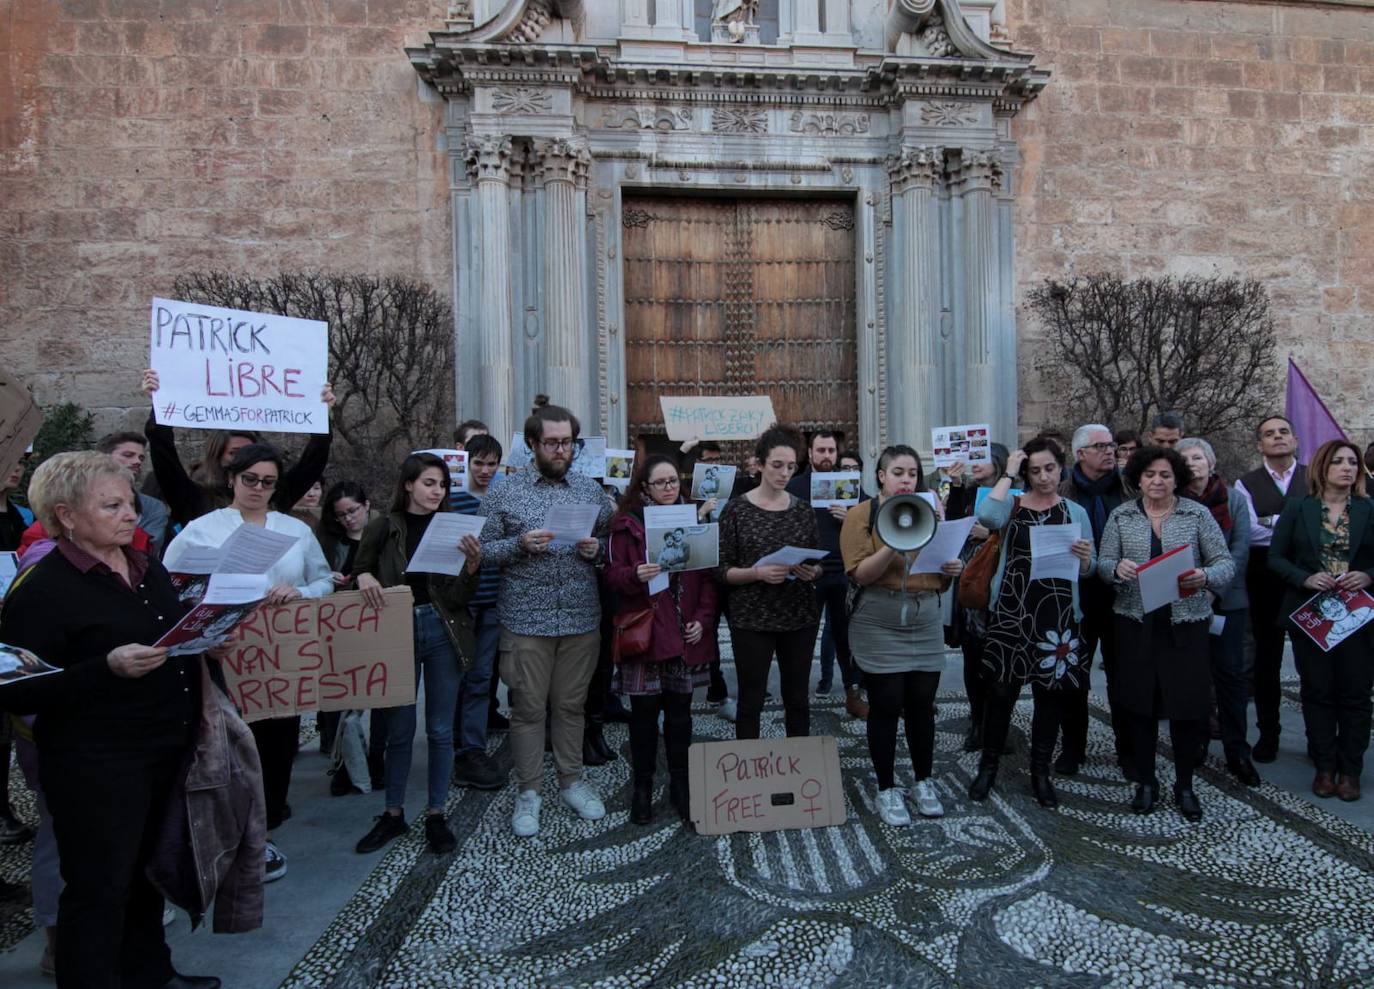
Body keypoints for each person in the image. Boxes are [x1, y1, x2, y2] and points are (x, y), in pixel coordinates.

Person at [0, 451, 231, 989]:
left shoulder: (146, 567)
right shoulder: (42, 587)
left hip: (162, 748)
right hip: (95, 765)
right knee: (98, 889)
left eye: (129, 502)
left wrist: (206, 643)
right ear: (68, 516)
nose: (131, 514)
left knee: (147, 875)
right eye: (112, 506)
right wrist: (104, 668)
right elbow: (15, 688)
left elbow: (170, 634)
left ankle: (151, 973)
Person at [164, 443, 334, 882]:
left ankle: (265, 831)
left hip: (280, 660)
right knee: (228, 747)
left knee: (277, 746)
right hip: (223, 657)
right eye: (250, 479)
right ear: (231, 479)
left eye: (268, 482)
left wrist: (301, 592)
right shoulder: (202, 529)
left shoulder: (294, 530)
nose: (258, 488)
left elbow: (323, 580)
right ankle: (228, 833)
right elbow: (170, 591)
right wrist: (204, 634)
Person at [479, 398, 615, 838]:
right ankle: (530, 791)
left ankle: (572, 781)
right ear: (533, 445)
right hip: (525, 619)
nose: (561, 450)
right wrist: (520, 544)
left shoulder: (591, 491)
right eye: (552, 443)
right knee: (528, 709)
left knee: (572, 706)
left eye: (568, 443)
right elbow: (481, 553)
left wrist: (596, 553)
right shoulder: (505, 491)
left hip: (580, 617)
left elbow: (611, 547)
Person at [352, 452, 482, 853]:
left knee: (441, 729)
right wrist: (364, 575)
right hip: (398, 626)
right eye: (429, 483)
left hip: (442, 629)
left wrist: (473, 566)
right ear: (408, 484)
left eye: (442, 485)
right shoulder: (383, 527)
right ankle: (392, 813)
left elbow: (460, 597)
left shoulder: (453, 528)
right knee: (400, 728)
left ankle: (436, 814)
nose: (437, 491)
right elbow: (359, 567)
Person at [1097, 446, 1235, 821]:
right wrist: (1116, 569)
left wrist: (1204, 576)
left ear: (1177, 479)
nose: (1157, 482)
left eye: (1165, 475)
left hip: (1185, 623)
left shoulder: (1197, 514)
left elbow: (1225, 563)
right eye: (1150, 475)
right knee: (1138, 705)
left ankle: (1184, 783)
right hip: (1135, 621)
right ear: (1138, 479)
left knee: (1186, 706)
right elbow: (1102, 562)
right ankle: (1145, 781)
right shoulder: (1121, 516)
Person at [970, 438, 1096, 808]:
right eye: (1036, 471)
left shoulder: (1075, 511)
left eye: (1050, 469)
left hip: (1056, 616)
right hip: (1012, 609)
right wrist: (1009, 471)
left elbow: (1089, 570)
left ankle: (1040, 772)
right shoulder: (1013, 504)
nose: (1044, 477)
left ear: (1061, 468)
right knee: (1001, 694)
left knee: (1050, 698)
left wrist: (1086, 559)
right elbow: (987, 518)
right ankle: (988, 767)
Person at [841, 445, 963, 825]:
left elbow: (937, 576)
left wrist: (951, 568)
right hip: (879, 615)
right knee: (888, 702)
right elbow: (860, 573)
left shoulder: (929, 510)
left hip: (923, 614)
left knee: (922, 703)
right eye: (898, 472)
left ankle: (923, 780)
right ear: (881, 475)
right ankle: (886, 787)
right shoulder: (861, 514)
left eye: (912, 473)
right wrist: (896, 543)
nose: (906, 479)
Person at [605, 455, 718, 825]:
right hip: (647, 633)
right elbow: (611, 578)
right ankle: (642, 786)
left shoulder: (694, 520)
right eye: (661, 483)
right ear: (645, 488)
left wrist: (702, 620)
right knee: (643, 716)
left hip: (684, 633)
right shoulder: (627, 526)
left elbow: (705, 580)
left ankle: (681, 785)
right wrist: (635, 574)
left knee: (681, 716)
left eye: (674, 481)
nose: (670, 488)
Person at [1269, 439, 1374, 802]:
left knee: (1356, 694)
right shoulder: (1299, 508)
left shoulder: (1369, 509)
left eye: (1353, 463)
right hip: (1311, 616)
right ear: (1322, 468)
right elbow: (1276, 557)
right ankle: (1325, 767)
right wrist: (1304, 578)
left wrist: (1368, 575)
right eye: (1339, 462)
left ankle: (1350, 771)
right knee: (1317, 692)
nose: (1347, 468)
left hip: (1359, 618)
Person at [719, 425, 822, 740]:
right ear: (760, 463)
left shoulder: (802, 510)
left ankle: (800, 773)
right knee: (751, 700)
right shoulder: (736, 510)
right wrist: (757, 573)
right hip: (752, 619)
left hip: (798, 616)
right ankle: (750, 777)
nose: (784, 473)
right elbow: (721, 570)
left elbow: (817, 563)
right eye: (777, 465)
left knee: (798, 700)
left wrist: (811, 572)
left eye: (791, 467)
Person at [140, 368, 335, 528]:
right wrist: (161, 403)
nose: (245, 461)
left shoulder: (274, 496)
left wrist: (319, 414)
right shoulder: (194, 497)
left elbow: (312, 463)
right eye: (235, 453)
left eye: (250, 453)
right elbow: (164, 457)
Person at [1178, 437, 1258, 786]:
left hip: (1228, 601)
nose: (1193, 464)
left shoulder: (1235, 499)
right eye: (1186, 459)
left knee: (1230, 677)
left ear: (1211, 462)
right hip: (1185, 598)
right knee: (1193, 676)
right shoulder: (1175, 501)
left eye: (1198, 457)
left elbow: (1240, 549)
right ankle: (1194, 742)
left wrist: (1214, 588)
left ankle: (1237, 748)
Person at [1234, 414, 1307, 763]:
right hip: (1264, 580)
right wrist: (1298, 524)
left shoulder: (1315, 477)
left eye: (1283, 432)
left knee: (1314, 662)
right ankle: (1268, 733)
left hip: (1310, 581)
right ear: (1259, 444)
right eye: (1269, 433)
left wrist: (1273, 520)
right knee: (1266, 661)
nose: (1277, 437)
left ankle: (1319, 736)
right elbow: (1250, 532)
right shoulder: (1246, 483)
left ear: (1294, 440)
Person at [1057, 424, 1129, 778]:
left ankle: (1128, 748)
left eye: (1111, 445)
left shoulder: (1130, 488)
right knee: (1073, 676)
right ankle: (1073, 747)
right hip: (1077, 598)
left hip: (1123, 596)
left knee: (1125, 675)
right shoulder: (1062, 493)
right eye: (1100, 446)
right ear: (1080, 454)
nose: (1109, 451)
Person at [787, 430, 867, 717]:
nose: (826, 456)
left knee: (846, 637)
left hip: (842, 572)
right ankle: (797, 699)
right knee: (801, 639)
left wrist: (853, 515)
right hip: (807, 575)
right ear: (809, 453)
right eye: (820, 450)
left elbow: (871, 514)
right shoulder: (795, 486)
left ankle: (852, 693)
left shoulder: (849, 485)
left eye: (831, 451)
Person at [446, 432, 509, 787]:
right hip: (460, 603)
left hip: (493, 599)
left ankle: (472, 745)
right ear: (467, 463)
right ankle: (453, 741)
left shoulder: (501, 499)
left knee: (482, 677)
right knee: (456, 675)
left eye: (491, 464)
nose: (485, 470)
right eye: (479, 463)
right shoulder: (453, 500)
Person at [943, 442, 1008, 752]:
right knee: (973, 657)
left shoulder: (1012, 494)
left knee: (1001, 662)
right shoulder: (968, 492)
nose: (975, 464)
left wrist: (992, 534)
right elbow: (952, 522)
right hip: (971, 584)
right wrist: (955, 484)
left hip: (1004, 581)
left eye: (981, 458)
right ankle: (977, 721)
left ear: (998, 462)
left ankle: (998, 725)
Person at [313, 480, 382, 770]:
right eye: (341, 514)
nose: (348, 518)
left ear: (366, 506)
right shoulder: (329, 540)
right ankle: (339, 755)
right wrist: (329, 578)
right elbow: (314, 575)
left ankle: (377, 755)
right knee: (338, 691)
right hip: (339, 623)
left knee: (379, 691)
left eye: (352, 510)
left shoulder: (384, 533)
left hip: (377, 621)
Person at [96, 432, 170, 556]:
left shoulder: (153, 508)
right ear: (104, 457)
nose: (137, 461)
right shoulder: (79, 498)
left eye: (141, 458)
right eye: (128, 455)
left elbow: (148, 549)